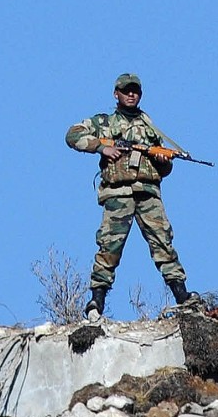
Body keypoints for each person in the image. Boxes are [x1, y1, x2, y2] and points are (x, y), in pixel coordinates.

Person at [66, 73, 198, 319]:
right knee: (109, 246)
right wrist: (102, 147)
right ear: (116, 94)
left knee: (163, 243)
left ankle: (182, 295)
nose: (131, 94)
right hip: (118, 193)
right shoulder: (103, 123)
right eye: (126, 90)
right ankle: (97, 300)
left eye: (135, 91)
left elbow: (165, 169)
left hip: (148, 193)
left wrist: (163, 162)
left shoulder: (150, 127)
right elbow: (72, 135)